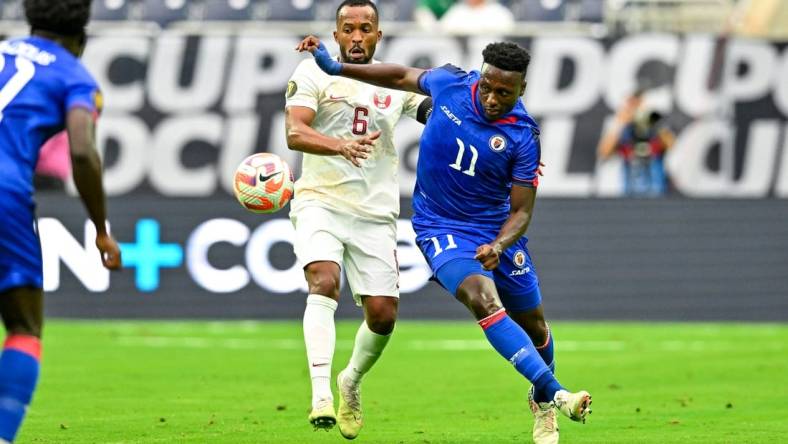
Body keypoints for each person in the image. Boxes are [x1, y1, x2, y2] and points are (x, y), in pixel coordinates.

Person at [297, 36, 592, 443]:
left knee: (536, 326)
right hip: (440, 227)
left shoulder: (523, 136)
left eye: (503, 93)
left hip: (495, 233)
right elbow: (400, 75)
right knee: (481, 298)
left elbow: (522, 211)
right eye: (487, 87)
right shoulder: (451, 83)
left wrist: (501, 245)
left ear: (522, 90)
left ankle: (541, 397)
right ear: (480, 75)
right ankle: (556, 397)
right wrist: (335, 68)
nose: (491, 98)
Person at [285, 0, 432, 439]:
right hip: (320, 201)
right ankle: (320, 396)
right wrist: (339, 146)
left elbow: (437, 116)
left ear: (378, 35)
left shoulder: (391, 81)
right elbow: (295, 132)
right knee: (324, 281)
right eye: (347, 28)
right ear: (336, 34)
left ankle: (349, 380)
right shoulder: (312, 72)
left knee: (383, 316)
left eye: (365, 28)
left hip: (375, 214)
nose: (355, 37)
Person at [0, 1, 122, 442]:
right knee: (23, 328)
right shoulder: (74, 76)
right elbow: (83, 151)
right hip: (4, 193)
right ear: (82, 39)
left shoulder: (3, 48)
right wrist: (102, 229)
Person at [597, 89, 675, 197]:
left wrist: (653, 119)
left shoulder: (654, 127)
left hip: (656, 192)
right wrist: (620, 123)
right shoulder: (624, 130)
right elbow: (604, 151)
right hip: (629, 193)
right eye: (631, 104)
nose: (635, 109)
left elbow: (671, 144)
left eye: (637, 104)